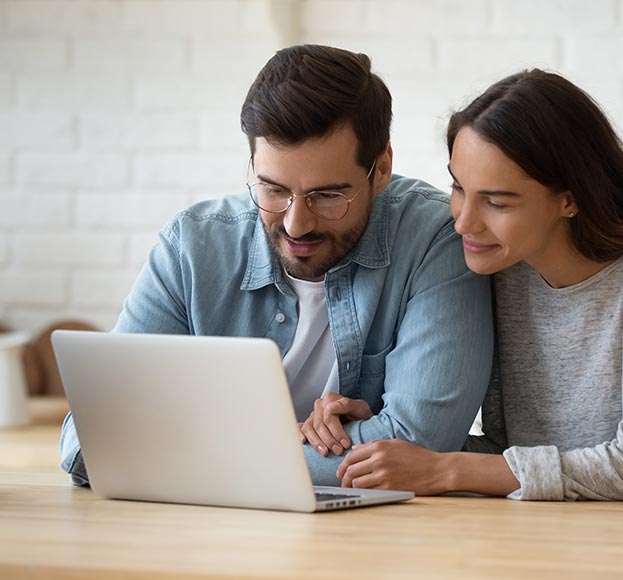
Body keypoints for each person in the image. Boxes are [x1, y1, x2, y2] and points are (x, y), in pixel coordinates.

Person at [59, 45, 493, 487]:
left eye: (327, 196)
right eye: (272, 189)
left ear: (380, 169)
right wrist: (282, 446)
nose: (296, 224)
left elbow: (421, 443)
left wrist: (192, 452)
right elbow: (89, 439)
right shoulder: (191, 247)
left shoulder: (435, 239)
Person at [333, 69, 623, 503]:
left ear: (570, 198)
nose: (463, 222)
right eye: (458, 187)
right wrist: (380, 435)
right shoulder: (505, 266)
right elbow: (514, 460)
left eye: (496, 202)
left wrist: (445, 467)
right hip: (572, 535)